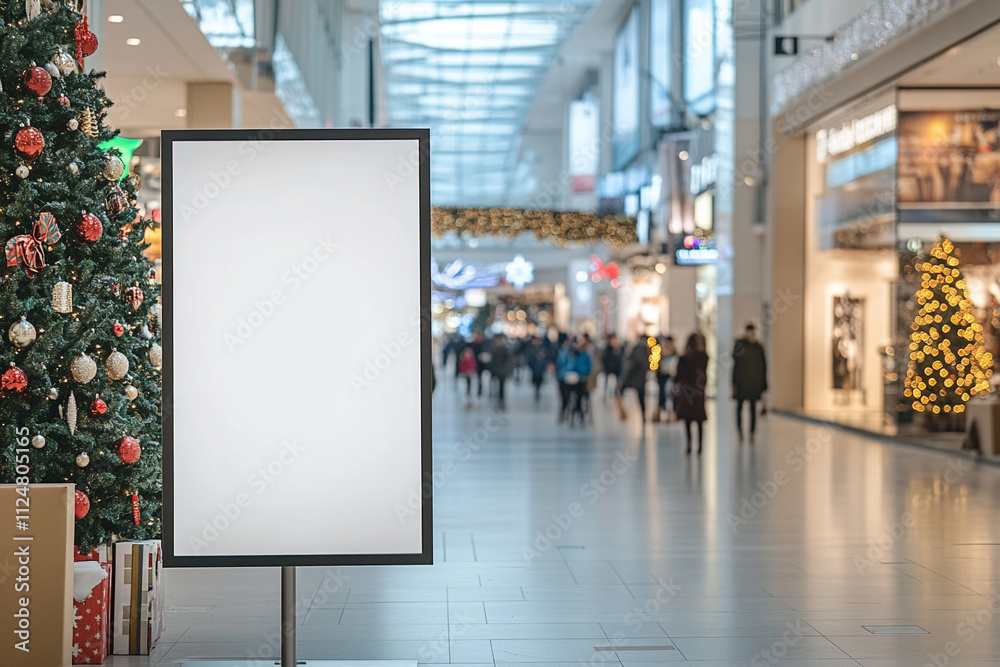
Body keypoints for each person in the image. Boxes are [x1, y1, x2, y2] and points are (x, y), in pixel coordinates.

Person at [732, 323, 768, 444]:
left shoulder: (757, 347)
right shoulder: (742, 345)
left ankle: (751, 432)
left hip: (753, 383)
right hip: (743, 383)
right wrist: (733, 383)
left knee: (751, 408)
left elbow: (763, 366)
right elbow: (735, 366)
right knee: (741, 407)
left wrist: (764, 385)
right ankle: (741, 430)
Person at [675, 333, 709, 455]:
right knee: (699, 421)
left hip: (686, 392)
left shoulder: (683, 358)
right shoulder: (703, 357)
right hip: (698, 391)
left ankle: (689, 444)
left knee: (687, 420)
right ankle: (700, 446)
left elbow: (678, 375)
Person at [619, 339, 651, 423]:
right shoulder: (644, 352)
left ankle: (624, 411)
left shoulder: (637, 351)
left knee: (625, 391)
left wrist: (623, 379)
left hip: (635, 379)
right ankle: (642, 414)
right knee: (641, 398)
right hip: (641, 379)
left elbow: (630, 366)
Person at [654, 335, 678, 422]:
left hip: (672, 378)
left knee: (672, 398)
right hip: (663, 378)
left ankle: (671, 415)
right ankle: (662, 415)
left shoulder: (675, 354)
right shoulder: (661, 355)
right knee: (662, 397)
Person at [490, 334, 514, 411]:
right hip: (496, 371)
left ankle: (501, 401)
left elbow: (509, 361)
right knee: (495, 387)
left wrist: (507, 370)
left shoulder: (505, 349)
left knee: (501, 387)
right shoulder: (494, 348)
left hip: (502, 371)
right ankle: (498, 401)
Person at [601, 333, 624, 399]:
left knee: (617, 388)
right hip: (608, 371)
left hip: (617, 371)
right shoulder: (607, 349)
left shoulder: (620, 349)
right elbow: (604, 359)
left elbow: (621, 360)